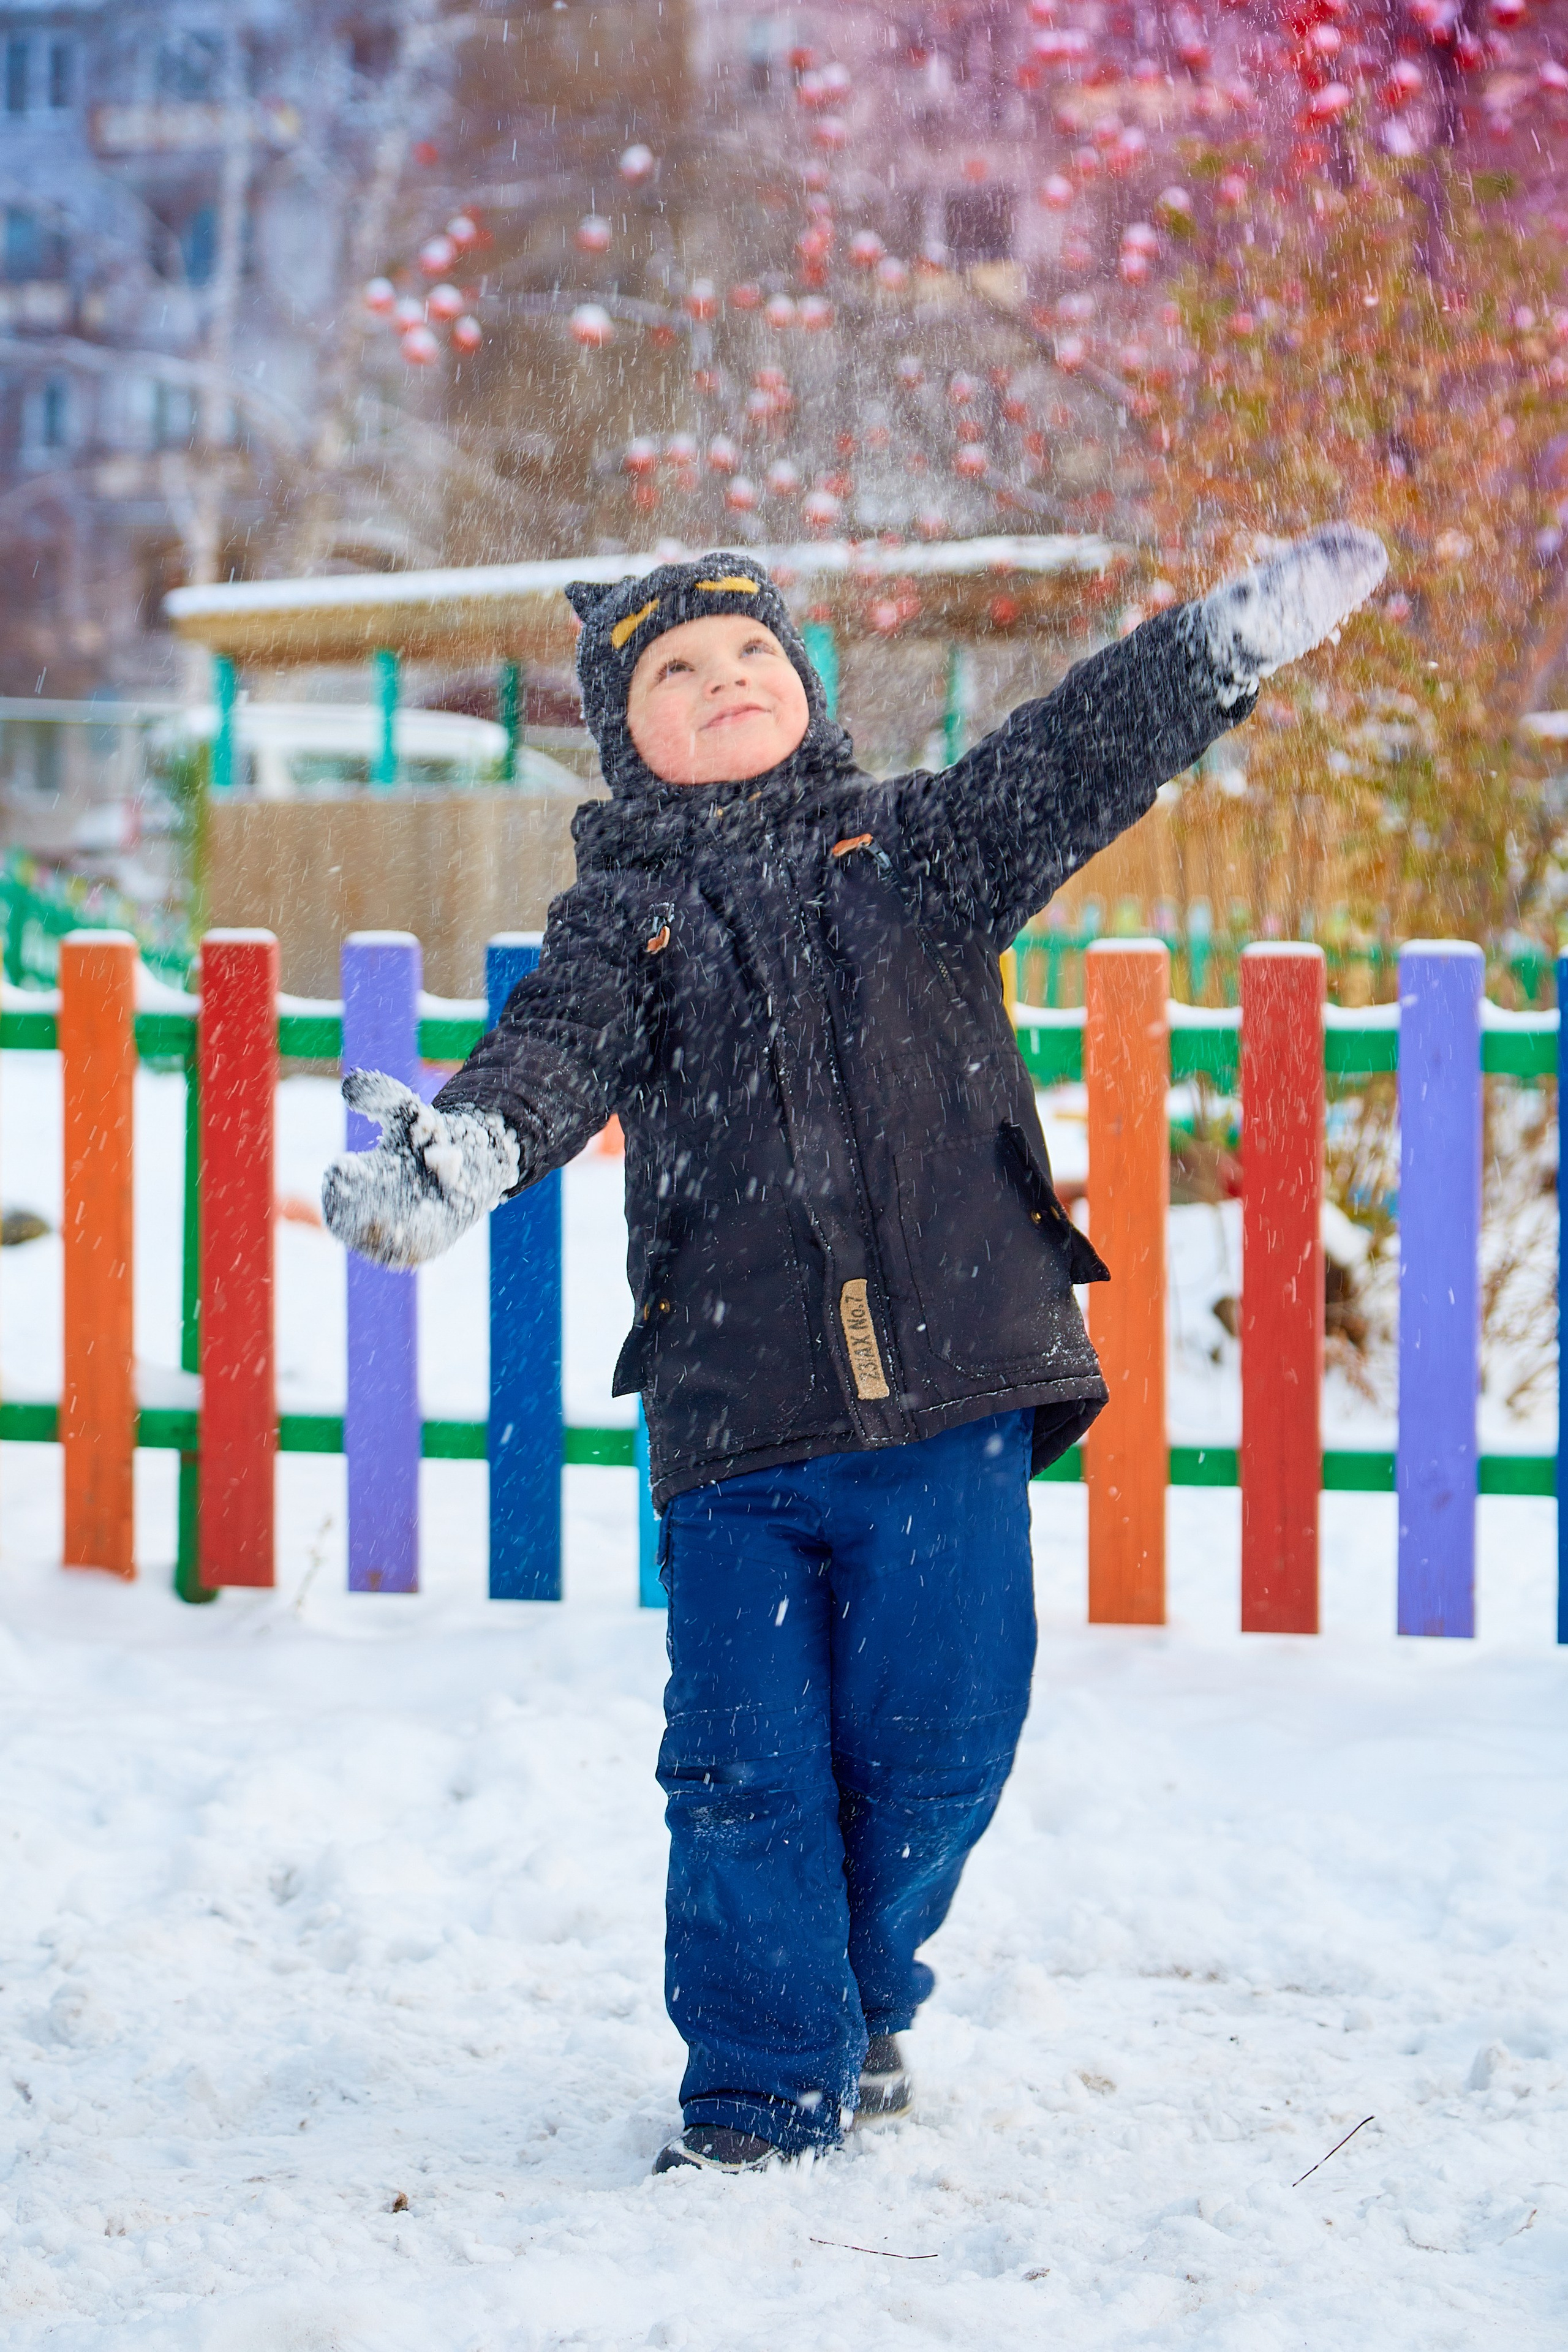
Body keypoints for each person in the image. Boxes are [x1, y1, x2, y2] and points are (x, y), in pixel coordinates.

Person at [322, 527, 1385, 2173]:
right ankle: (757, 2094)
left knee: (944, 1743)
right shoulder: (625, 922)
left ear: (804, 687)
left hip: (954, 1393)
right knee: (742, 1778)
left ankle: (867, 1987)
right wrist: (462, 1151)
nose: (723, 681)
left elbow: (1074, 754)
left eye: (749, 654)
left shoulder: (923, 849)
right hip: (737, 1425)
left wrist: (1214, 650)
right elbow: (549, 1052)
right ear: (625, 735)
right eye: (676, 672)